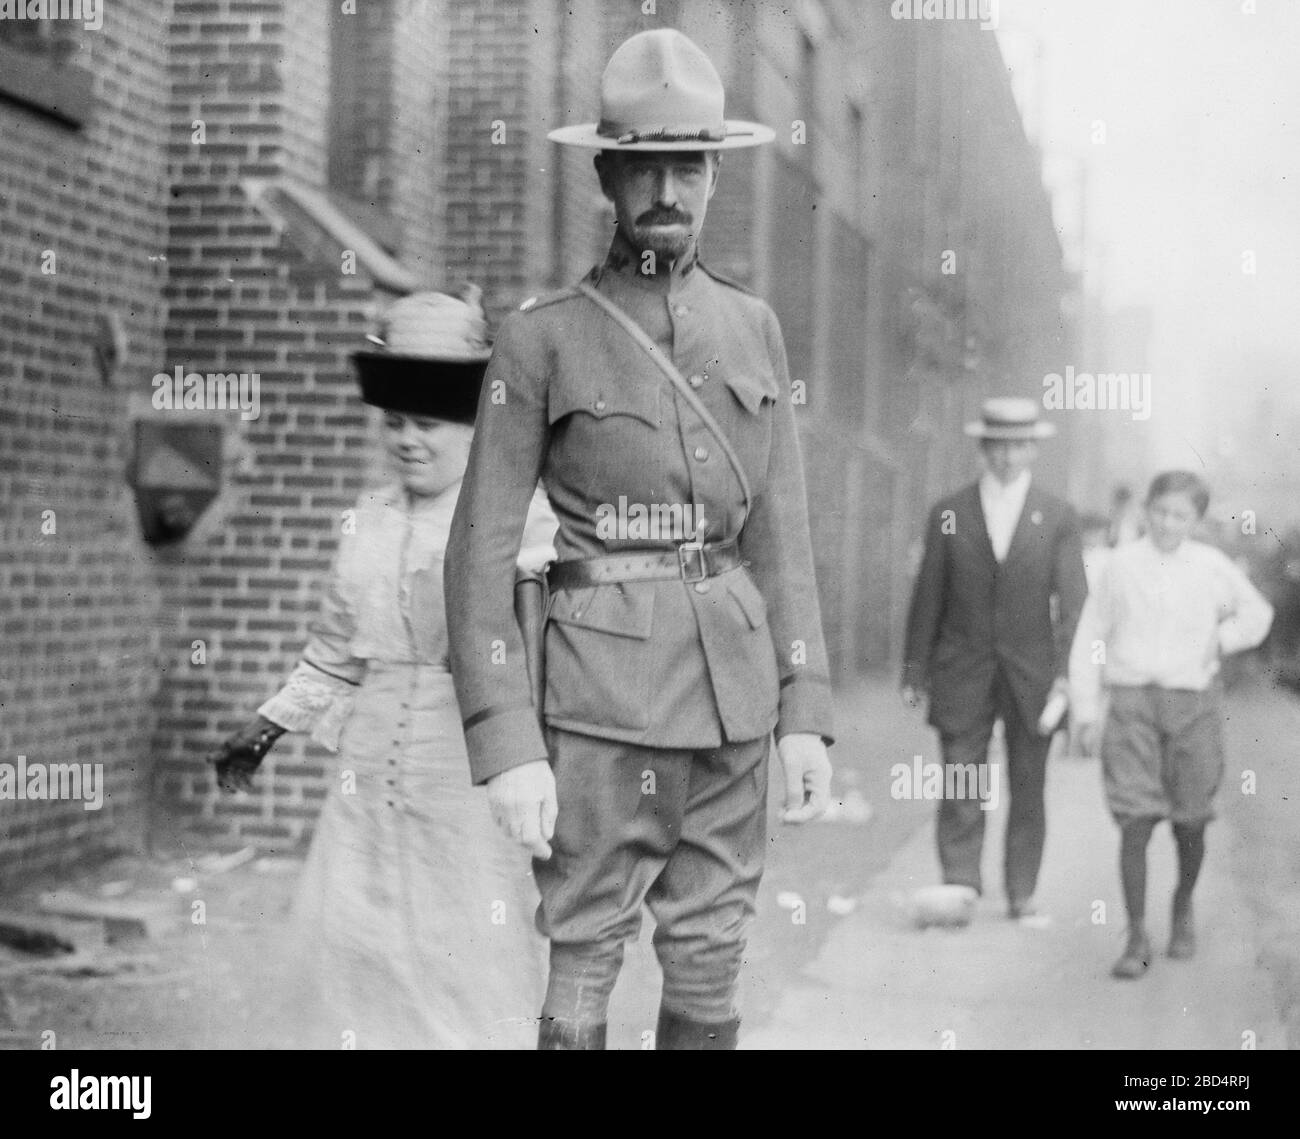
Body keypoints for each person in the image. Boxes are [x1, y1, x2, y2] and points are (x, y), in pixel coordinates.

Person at [443, 28, 834, 1050]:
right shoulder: (541, 337)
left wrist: (805, 708)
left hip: (736, 700)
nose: (668, 188)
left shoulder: (752, 330)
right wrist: (506, 745)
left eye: (689, 165)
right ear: (607, 177)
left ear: (712, 175)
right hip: (597, 703)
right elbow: (479, 554)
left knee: (711, 945)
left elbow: (783, 536)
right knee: (584, 945)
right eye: (645, 166)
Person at [207, 288, 557, 1048]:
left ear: (470, 427)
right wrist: (266, 725)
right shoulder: (367, 518)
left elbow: (542, 652)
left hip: (467, 768)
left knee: (463, 955)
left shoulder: (519, 520)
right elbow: (334, 652)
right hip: (367, 775)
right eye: (395, 423)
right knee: (356, 944)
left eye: (426, 424)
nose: (406, 440)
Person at [1069, 471, 1273, 979]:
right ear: (1146, 509)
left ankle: (1181, 907)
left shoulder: (1210, 566)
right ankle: (1136, 933)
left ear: (1195, 520)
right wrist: (1088, 711)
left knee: (1190, 819)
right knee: (1134, 819)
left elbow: (1257, 613)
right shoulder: (1120, 566)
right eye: (1160, 511)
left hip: (1193, 706)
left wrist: (1219, 642)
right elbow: (1091, 635)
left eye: (1180, 515)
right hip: (1133, 703)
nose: (1167, 522)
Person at [902, 397, 1087, 919]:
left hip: (1034, 674)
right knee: (962, 778)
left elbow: (1074, 605)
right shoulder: (950, 512)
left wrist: (1067, 675)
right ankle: (960, 886)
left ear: (1033, 449)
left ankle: (1022, 892)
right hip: (962, 668)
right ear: (984, 448)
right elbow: (928, 595)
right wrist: (915, 668)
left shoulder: (1057, 516)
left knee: (1029, 785)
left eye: (1019, 446)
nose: (1008, 458)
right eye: (998, 447)